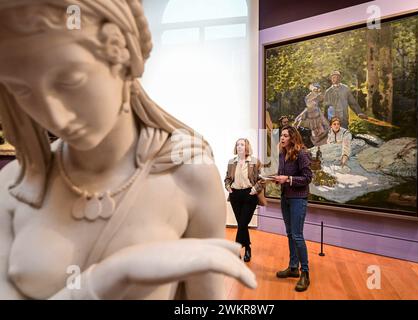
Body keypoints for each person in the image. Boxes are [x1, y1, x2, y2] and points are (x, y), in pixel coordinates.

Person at [0, 0, 256, 300]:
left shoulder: (190, 175)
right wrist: (105, 279)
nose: (54, 117)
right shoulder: (14, 184)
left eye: (70, 80)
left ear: (122, 56)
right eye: (22, 91)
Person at [274, 126, 313, 292]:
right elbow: (282, 174)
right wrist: (276, 179)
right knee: (290, 234)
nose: (282, 138)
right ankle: (293, 267)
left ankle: (305, 273)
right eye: (281, 135)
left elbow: (307, 178)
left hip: (298, 199)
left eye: (285, 135)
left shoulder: (302, 154)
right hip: (286, 198)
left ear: (292, 138)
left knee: (297, 235)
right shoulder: (282, 153)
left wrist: (288, 179)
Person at [224, 139, 263, 263]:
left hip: (249, 195)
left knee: (242, 224)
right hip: (235, 195)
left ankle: (236, 248)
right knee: (243, 225)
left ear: (247, 147)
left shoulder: (254, 162)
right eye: (237, 144)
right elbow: (227, 178)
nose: (239, 146)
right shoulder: (231, 162)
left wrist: (254, 189)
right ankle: (247, 248)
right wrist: (228, 186)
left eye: (242, 144)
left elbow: (261, 180)